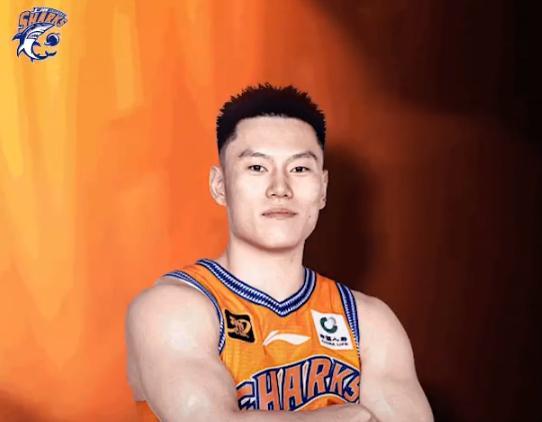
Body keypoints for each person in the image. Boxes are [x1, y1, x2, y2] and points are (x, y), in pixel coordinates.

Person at [125, 83, 433, 421]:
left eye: (299, 169)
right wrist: (354, 416)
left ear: (323, 189)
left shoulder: (369, 322)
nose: (280, 189)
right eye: (257, 167)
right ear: (219, 185)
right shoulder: (171, 309)